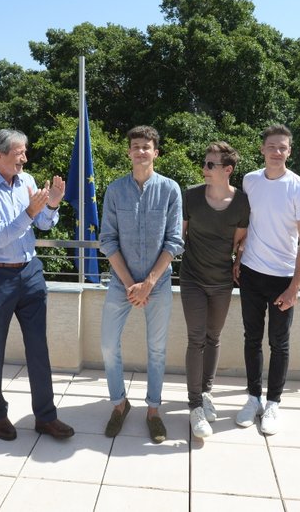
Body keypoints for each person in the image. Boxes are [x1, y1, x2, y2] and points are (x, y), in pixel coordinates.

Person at [0, 129, 75, 441]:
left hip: (30, 273)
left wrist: (51, 205)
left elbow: (41, 225)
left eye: (24, 152)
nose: (25, 158)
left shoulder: (26, 181)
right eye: (19, 153)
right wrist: (31, 211)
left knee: (39, 348)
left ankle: (46, 417)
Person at [99, 125, 183, 443]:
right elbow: (107, 240)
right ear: (129, 152)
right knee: (108, 345)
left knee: (157, 350)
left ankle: (153, 411)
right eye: (135, 146)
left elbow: (174, 241)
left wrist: (148, 282)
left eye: (146, 146)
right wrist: (130, 283)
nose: (140, 151)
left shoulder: (170, 190)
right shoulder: (115, 190)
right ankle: (120, 404)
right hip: (121, 282)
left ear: (156, 152)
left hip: (158, 284)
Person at [233, 124, 300, 435]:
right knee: (251, 339)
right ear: (262, 149)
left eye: (282, 147)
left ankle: (273, 403)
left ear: (289, 151)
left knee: (279, 344)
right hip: (252, 273)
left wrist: (295, 286)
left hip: (283, 278)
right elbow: (247, 225)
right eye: (271, 146)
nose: (276, 152)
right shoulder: (250, 181)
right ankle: (253, 397)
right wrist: (239, 259)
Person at [180, 142, 250, 439]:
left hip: (222, 281)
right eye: (205, 163)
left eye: (211, 165)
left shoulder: (242, 203)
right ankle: (195, 405)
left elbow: (238, 242)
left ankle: (206, 391)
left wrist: (239, 259)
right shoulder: (192, 197)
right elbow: (180, 235)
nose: (204, 168)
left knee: (214, 337)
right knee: (196, 339)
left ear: (227, 170)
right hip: (192, 279)